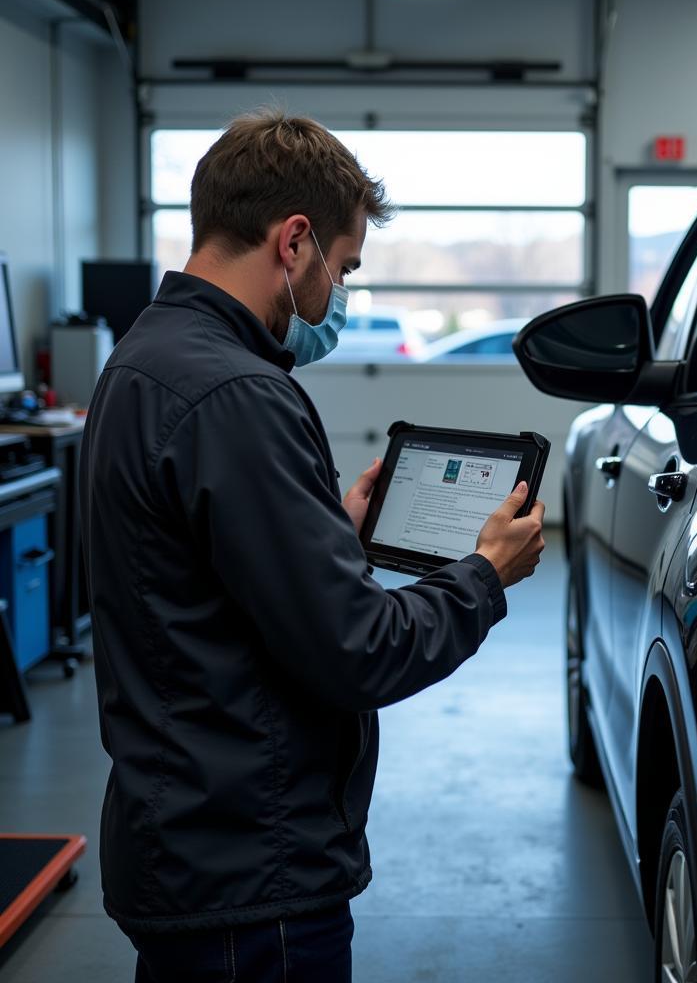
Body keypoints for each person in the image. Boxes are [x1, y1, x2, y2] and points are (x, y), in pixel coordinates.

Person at [79, 111, 545, 982]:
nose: (342, 294)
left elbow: (189, 567)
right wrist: (485, 575)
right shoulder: (240, 395)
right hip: (257, 882)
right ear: (295, 242)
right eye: (347, 266)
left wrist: (319, 521)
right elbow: (358, 650)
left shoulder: (143, 359)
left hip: (181, 847)